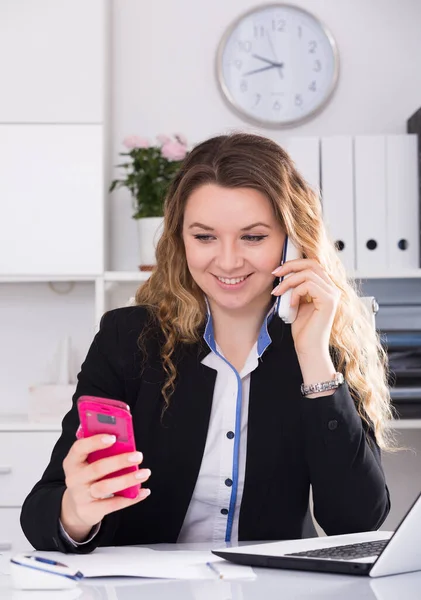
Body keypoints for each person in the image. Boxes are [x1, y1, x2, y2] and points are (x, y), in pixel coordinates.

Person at [21, 132, 393, 554]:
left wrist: (314, 359)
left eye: (253, 237)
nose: (229, 260)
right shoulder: (128, 338)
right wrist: (76, 511)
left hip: (270, 587)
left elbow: (358, 522)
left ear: (294, 241)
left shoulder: (322, 342)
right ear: (180, 240)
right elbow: (41, 510)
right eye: (204, 237)